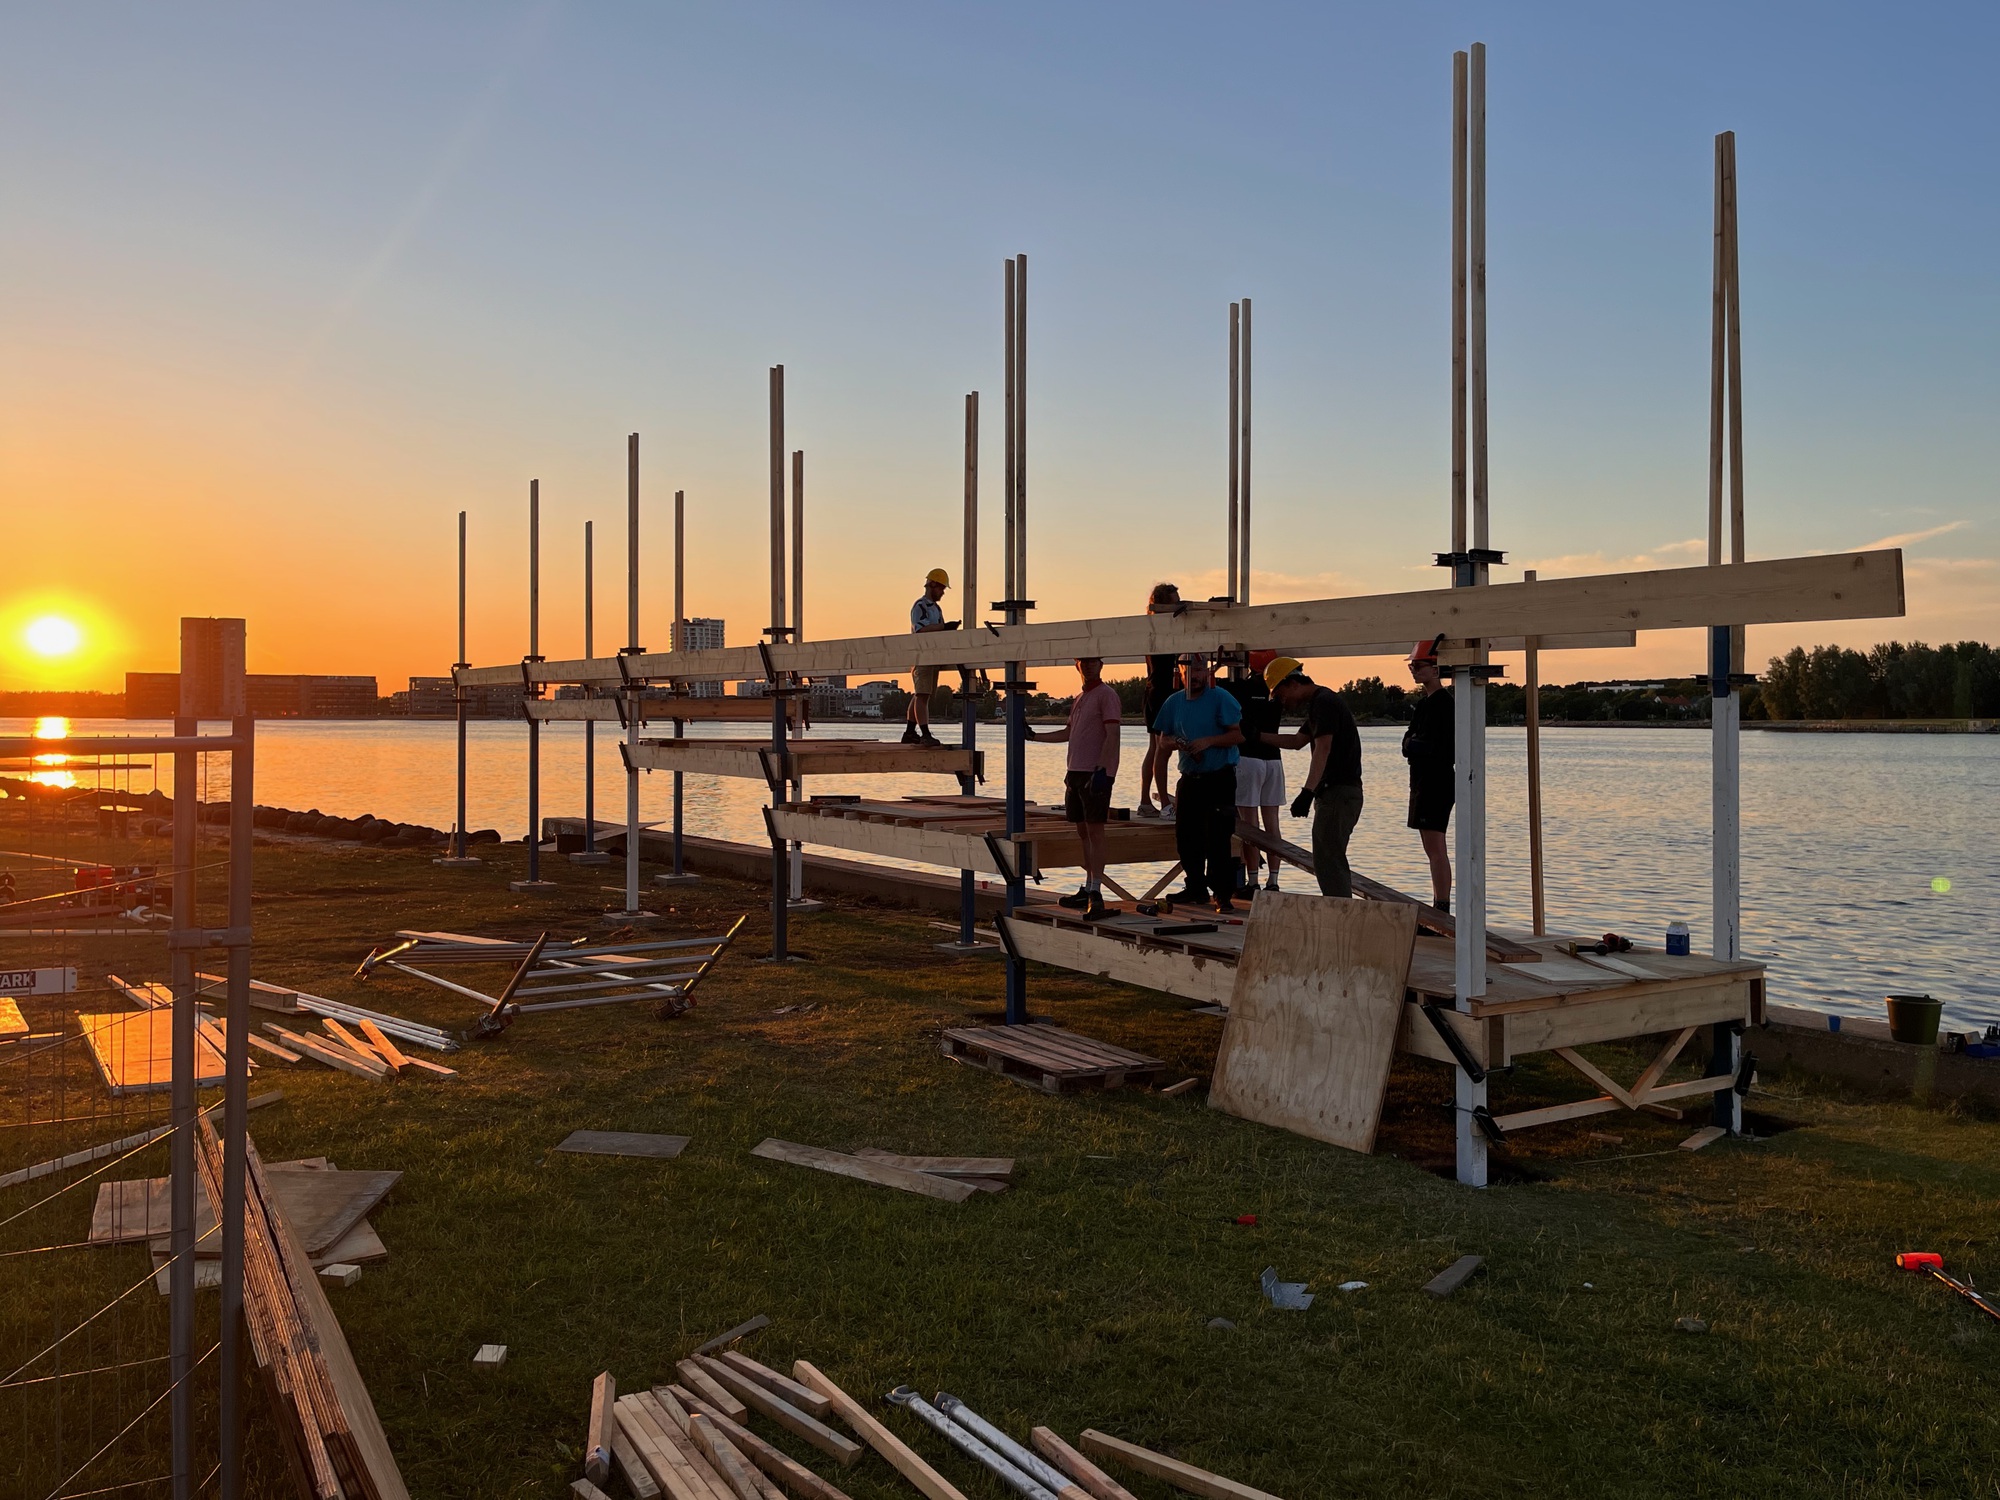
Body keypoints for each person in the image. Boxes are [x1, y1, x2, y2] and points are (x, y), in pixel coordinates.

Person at [1260, 656, 1364, 899]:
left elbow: (1323, 749)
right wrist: (1256, 736)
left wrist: (1307, 792)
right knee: (1329, 857)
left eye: (1280, 695)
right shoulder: (1322, 702)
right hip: (1337, 794)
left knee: (1328, 859)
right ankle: (1339, 910)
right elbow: (1297, 741)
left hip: (1338, 793)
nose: (1282, 703)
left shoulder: (1324, 703)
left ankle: (1338, 914)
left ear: (1293, 683)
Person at [1027, 656, 1121, 919]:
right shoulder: (1080, 699)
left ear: (1102, 665)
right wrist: (1034, 736)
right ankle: (1088, 885)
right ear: (1077, 666)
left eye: (1094, 662)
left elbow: (1113, 734)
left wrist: (1102, 770)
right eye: (1084, 662)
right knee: (1082, 831)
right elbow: (1068, 732)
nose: (1089, 666)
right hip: (1075, 771)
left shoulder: (1107, 695)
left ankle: (1096, 892)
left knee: (1095, 830)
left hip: (1096, 773)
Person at [1152, 652, 1244, 912]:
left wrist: (1208, 741)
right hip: (1190, 778)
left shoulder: (1221, 698)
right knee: (1186, 836)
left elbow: (1239, 735)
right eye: (1188, 670)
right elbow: (1163, 741)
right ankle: (1195, 887)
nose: (1194, 675)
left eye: (1200, 670)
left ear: (1208, 673)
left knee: (1218, 836)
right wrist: (1178, 742)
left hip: (1219, 777)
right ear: (1180, 673)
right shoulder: (1173, 702)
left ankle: (1222, 894)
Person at [1226, 651, 1286, 895]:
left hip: (1248, 758)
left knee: (1249, 823)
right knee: (1272, 823)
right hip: (1274, 758)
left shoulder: (1241, 687)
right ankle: (1273, 879)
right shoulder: (1279, 690)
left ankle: (1252, 881)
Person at [1403, 635, 1455, 910]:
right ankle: (1440, 902)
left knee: (1436, 848)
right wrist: (1414, 744)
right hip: (1422, 780)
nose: (1414, 670)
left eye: (1419, 666)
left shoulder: (1445, 705)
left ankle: (1442, 906)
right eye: (1412, 667)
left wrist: (1415, 745)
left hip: (1437, 781)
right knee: (1431, 847)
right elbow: (1408, 742)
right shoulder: (1423, 705)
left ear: (1435, 669)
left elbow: (1436, 746)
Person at [1136, 582, 1183, 818]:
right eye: (1175, 602)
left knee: (1156, 747)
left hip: (1162, 690)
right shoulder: (1158, 631)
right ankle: (1163, 802)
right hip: (1160, 691)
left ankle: (1147, 800)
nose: (1178, 607)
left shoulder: (1155, 629)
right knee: (1160, 747)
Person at [902, 568, 958, 746]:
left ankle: (910, 732)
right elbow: (920, 629)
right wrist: (944, 628)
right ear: (932, 585)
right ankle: (925, 734)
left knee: (922, 695)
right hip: (922, 655)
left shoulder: (936, 609)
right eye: (941, 588)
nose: (942, 593)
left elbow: (938, 629)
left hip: (933, 656)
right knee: (922, 694)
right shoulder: (920, 606)